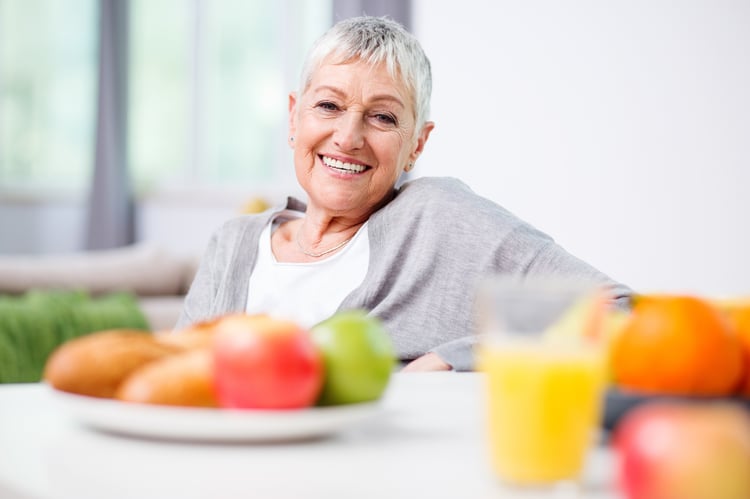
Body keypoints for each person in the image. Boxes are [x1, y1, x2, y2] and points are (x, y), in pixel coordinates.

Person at [176, 16, 631, 372]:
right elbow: (175, 379)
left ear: (417, 143)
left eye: (383, 118)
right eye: (329, 106)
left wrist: (456, 358)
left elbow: (622, 312)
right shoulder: (232, 243)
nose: (348, 137)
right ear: (295, 118)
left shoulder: (439, 220)